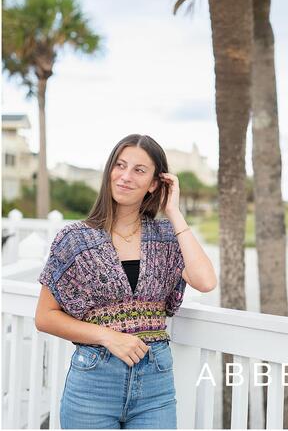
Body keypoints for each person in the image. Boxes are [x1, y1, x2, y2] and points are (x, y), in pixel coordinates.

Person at [35, 134, 217, 428]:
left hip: (155, 386)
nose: (126, 177)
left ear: (155, 183)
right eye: (120, 166)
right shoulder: (75, 240)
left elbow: (206, 280)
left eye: (139, 170)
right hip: (93, 383)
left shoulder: (167, 237)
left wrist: (174, 213)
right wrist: (108, 336)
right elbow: (45, 317)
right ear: (109, 170)